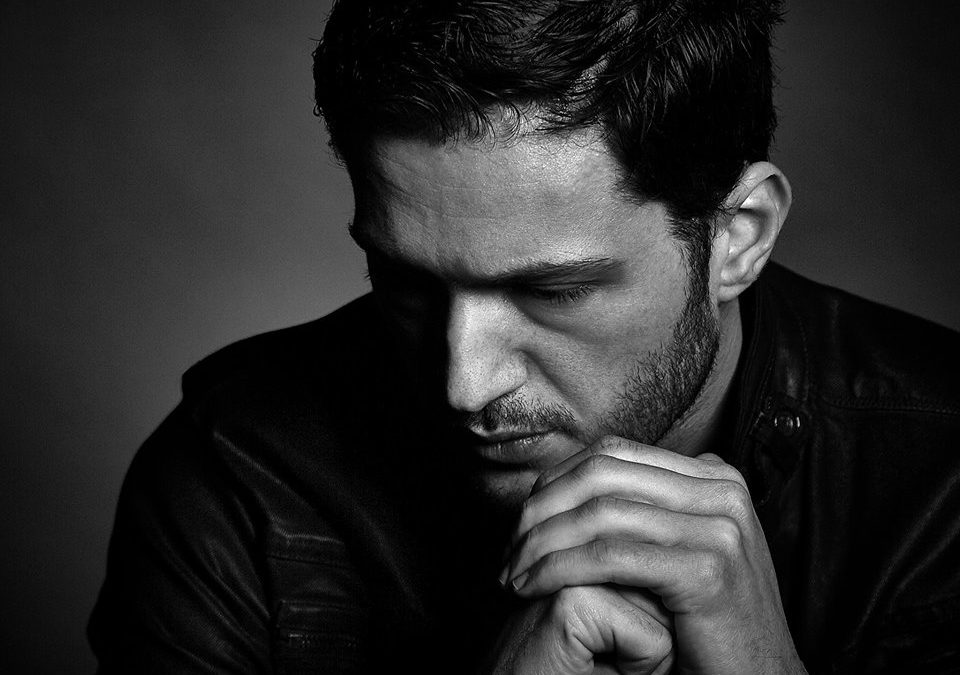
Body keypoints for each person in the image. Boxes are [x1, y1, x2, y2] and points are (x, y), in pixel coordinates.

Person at [88, 0, 960, 672]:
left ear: (739, 237)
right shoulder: (239, 476)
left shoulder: (941, 479)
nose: (465, 382)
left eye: (553, 290)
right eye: (407, 282)